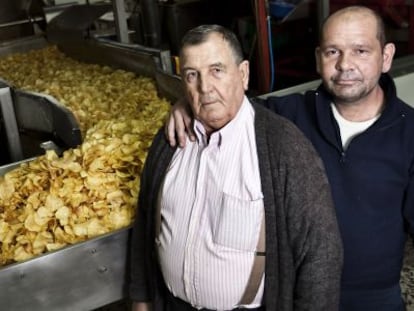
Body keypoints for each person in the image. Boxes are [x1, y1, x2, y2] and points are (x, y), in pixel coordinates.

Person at [166, 5, 414, 311]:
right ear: (317, 59)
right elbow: (226, 103)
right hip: (295, 293)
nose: (345, 64)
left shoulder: (409, 132)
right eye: (332, 52)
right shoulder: (289, 115)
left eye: (361, 51)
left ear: (386, 57)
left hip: (375, 298)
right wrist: (185, 104)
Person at [129, 24, 343, 311]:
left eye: (217, 70)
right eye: (192, 75)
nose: (205, 87)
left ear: (243, 74)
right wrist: (141, 301)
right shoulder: (169, 140)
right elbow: (145, 225)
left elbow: (321, 254)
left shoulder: (283, 148)